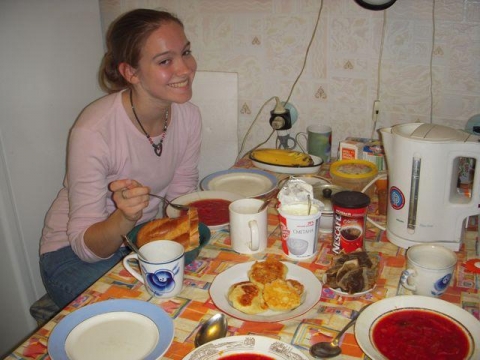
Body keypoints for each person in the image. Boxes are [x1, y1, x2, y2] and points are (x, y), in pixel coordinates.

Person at [38, 8, 201, 310]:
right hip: (73, 255)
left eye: (186, 52)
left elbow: (181, 195)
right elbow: (86, 248)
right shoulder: (93, 130)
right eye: (165, 60)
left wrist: (191, 240)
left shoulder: (188, 116)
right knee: (145, 315)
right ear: (131, 73)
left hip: (138, 240)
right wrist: (124, 217)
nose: (185, 68)